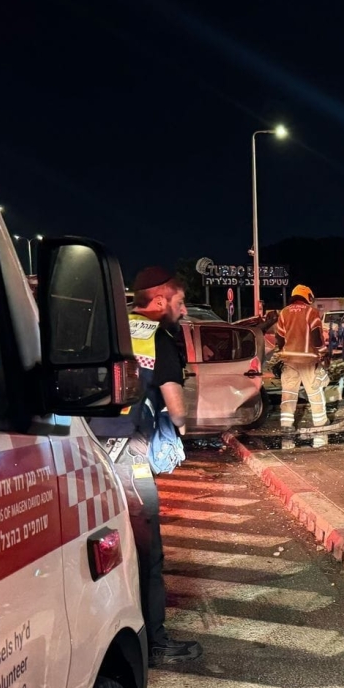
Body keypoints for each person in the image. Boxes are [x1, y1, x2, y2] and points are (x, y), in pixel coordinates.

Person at [92, 266, 202, 664]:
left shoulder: (109, 329)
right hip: (130, 458)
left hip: (89, 454)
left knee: (102, 551)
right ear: (159, 301)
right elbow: (176, 408)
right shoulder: (158, 337)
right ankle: (154, 642)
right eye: (179, 302)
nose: (183, 310)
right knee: (146, 553)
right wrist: (181, 425)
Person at [275, 284, 328, 429]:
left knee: (288, 393)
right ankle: (320, 422)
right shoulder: (311, 312)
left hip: (289, 361)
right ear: (307, 296)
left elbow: (279, 338)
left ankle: (286, 424)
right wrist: (323, 352)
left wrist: (283, 352)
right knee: (314, 391)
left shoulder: (284, 312)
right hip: (307, 360)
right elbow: (316, 337)